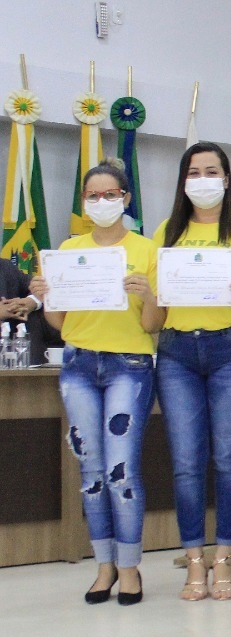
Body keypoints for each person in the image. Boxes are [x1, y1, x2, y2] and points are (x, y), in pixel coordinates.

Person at [30, 160, 163, 605]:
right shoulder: (68, 249)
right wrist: (48, 296)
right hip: (79, 364)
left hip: (130, 364)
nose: (101, 202)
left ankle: (129, 568)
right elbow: (60, 324)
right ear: (83, 201)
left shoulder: (147, 249)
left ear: (126, 198)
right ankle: (102, 566)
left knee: (120, 469)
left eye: (110, 195)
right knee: (90, 471)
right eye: (92, 196)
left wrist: (148, 294)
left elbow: (153, 323)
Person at [156, 142, 231, 601]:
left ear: (227, 178)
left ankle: (225, 555)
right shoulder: (168, 229)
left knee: (228, 459)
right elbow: (157, 299)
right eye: (194, 171)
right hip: (177, 352)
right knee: (186, 463)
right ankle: (194, 558)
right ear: (184, 181)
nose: (203, 179)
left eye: (213, 171)